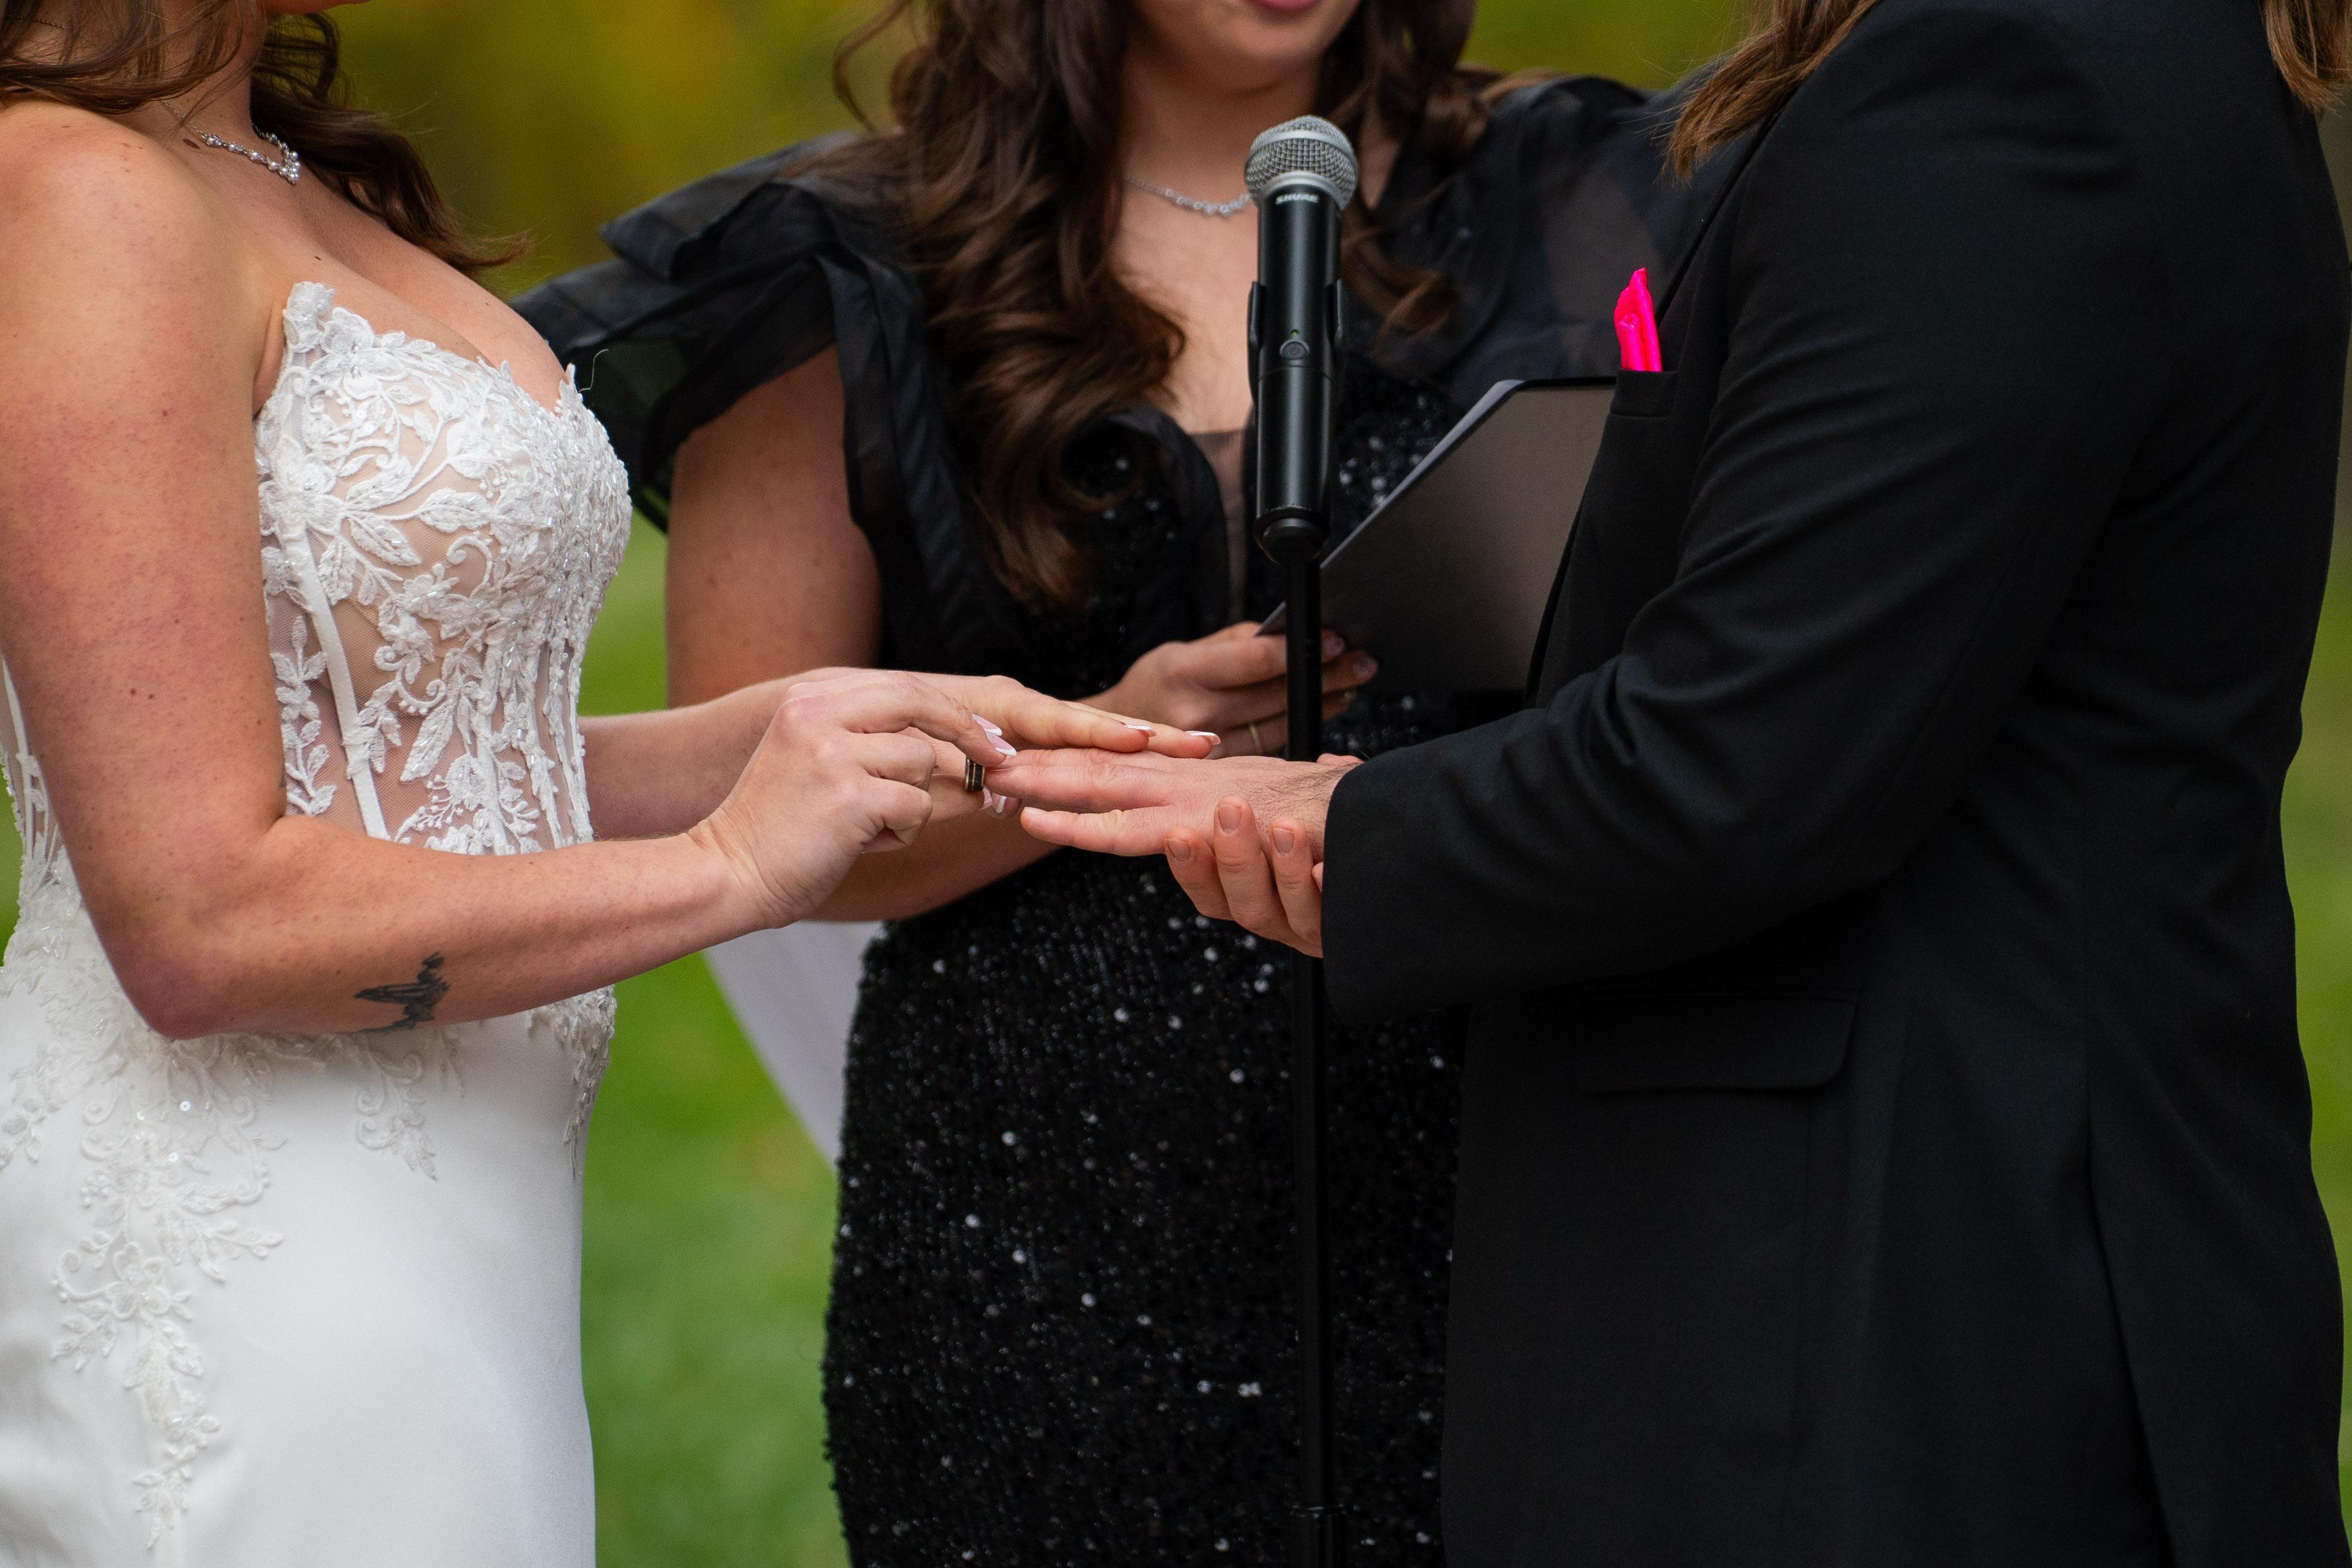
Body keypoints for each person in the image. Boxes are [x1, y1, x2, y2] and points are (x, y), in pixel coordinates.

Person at [999, 0, 2352, 1561]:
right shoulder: (2134, 53)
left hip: (1885, 1309)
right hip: (2001, 1251)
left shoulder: (2004, 73)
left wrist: (1347, 833)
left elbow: (1753, 756)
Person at [0, 3, 1199, 1561]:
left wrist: (864, 729)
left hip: (466, 1229)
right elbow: (199, 921)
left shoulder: (276, 166)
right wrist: (729, 867)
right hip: (250, 1239)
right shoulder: (74, 188)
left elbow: (442, 768)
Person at [518, 0, 1717, 1557]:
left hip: (1502, 1162)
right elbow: (754, 805)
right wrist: (1101, 729)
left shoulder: (1591, 185)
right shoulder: (836, 264)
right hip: (1041, 1210)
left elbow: (1713, 672)